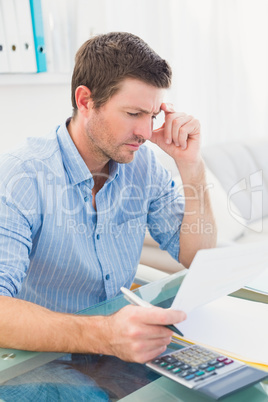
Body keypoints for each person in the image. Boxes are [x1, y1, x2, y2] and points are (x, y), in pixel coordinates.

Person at [0, 32, 216, 363]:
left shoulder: (142, 165)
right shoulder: (22, 176)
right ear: (85, 100)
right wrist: (106, 336)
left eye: (153, 116)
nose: (146, 132)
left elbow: (199, 258)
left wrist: (191, 165)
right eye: (133, 114)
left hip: (121, 351)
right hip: (43, 358)